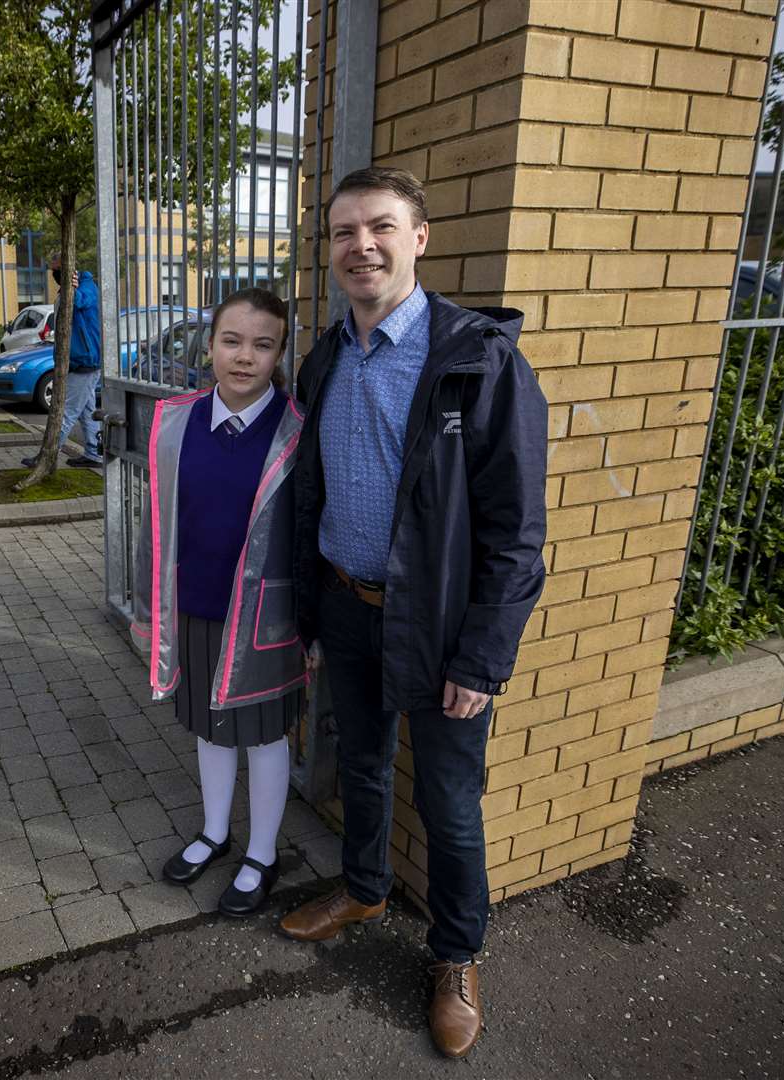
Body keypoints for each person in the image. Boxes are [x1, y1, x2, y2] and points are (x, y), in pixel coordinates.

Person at [279, 168, 548, 1058]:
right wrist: (310, 611)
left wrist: (482, 656)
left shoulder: (479, 360)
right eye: (345, 231)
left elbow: (515, 531)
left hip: (438, 631)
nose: (362, 245)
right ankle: (363, 888)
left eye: (381, 227)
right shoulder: (326, 357)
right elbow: (308, 491)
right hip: (347, 609)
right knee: (359, 765)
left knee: (447, 799)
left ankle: (457, 954)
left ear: (419, 237)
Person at [131, 287, 309, 918]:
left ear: (279, 352)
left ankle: (261, 853)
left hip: (266, 621)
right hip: (194, 607)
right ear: (208, 346)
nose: (244, 357)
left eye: (263, 345)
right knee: (208, 727)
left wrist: (311, 627)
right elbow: (156, 523)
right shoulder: (175, 420)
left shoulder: (296, 431)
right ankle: (214, 832)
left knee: (263, 737)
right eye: (231, 341)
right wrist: (150, 612)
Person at [23, 253, 103, 469]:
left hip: (85, 360)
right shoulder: (68, 288)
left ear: (69, 268)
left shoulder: (86, 285)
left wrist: (72, 288)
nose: (54, 274)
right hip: (78, 360)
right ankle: (94, 454)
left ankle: (46, 457)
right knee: (87, 412)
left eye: (56, 269)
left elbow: (79, 302)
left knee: (65, 412)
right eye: (52, 270)